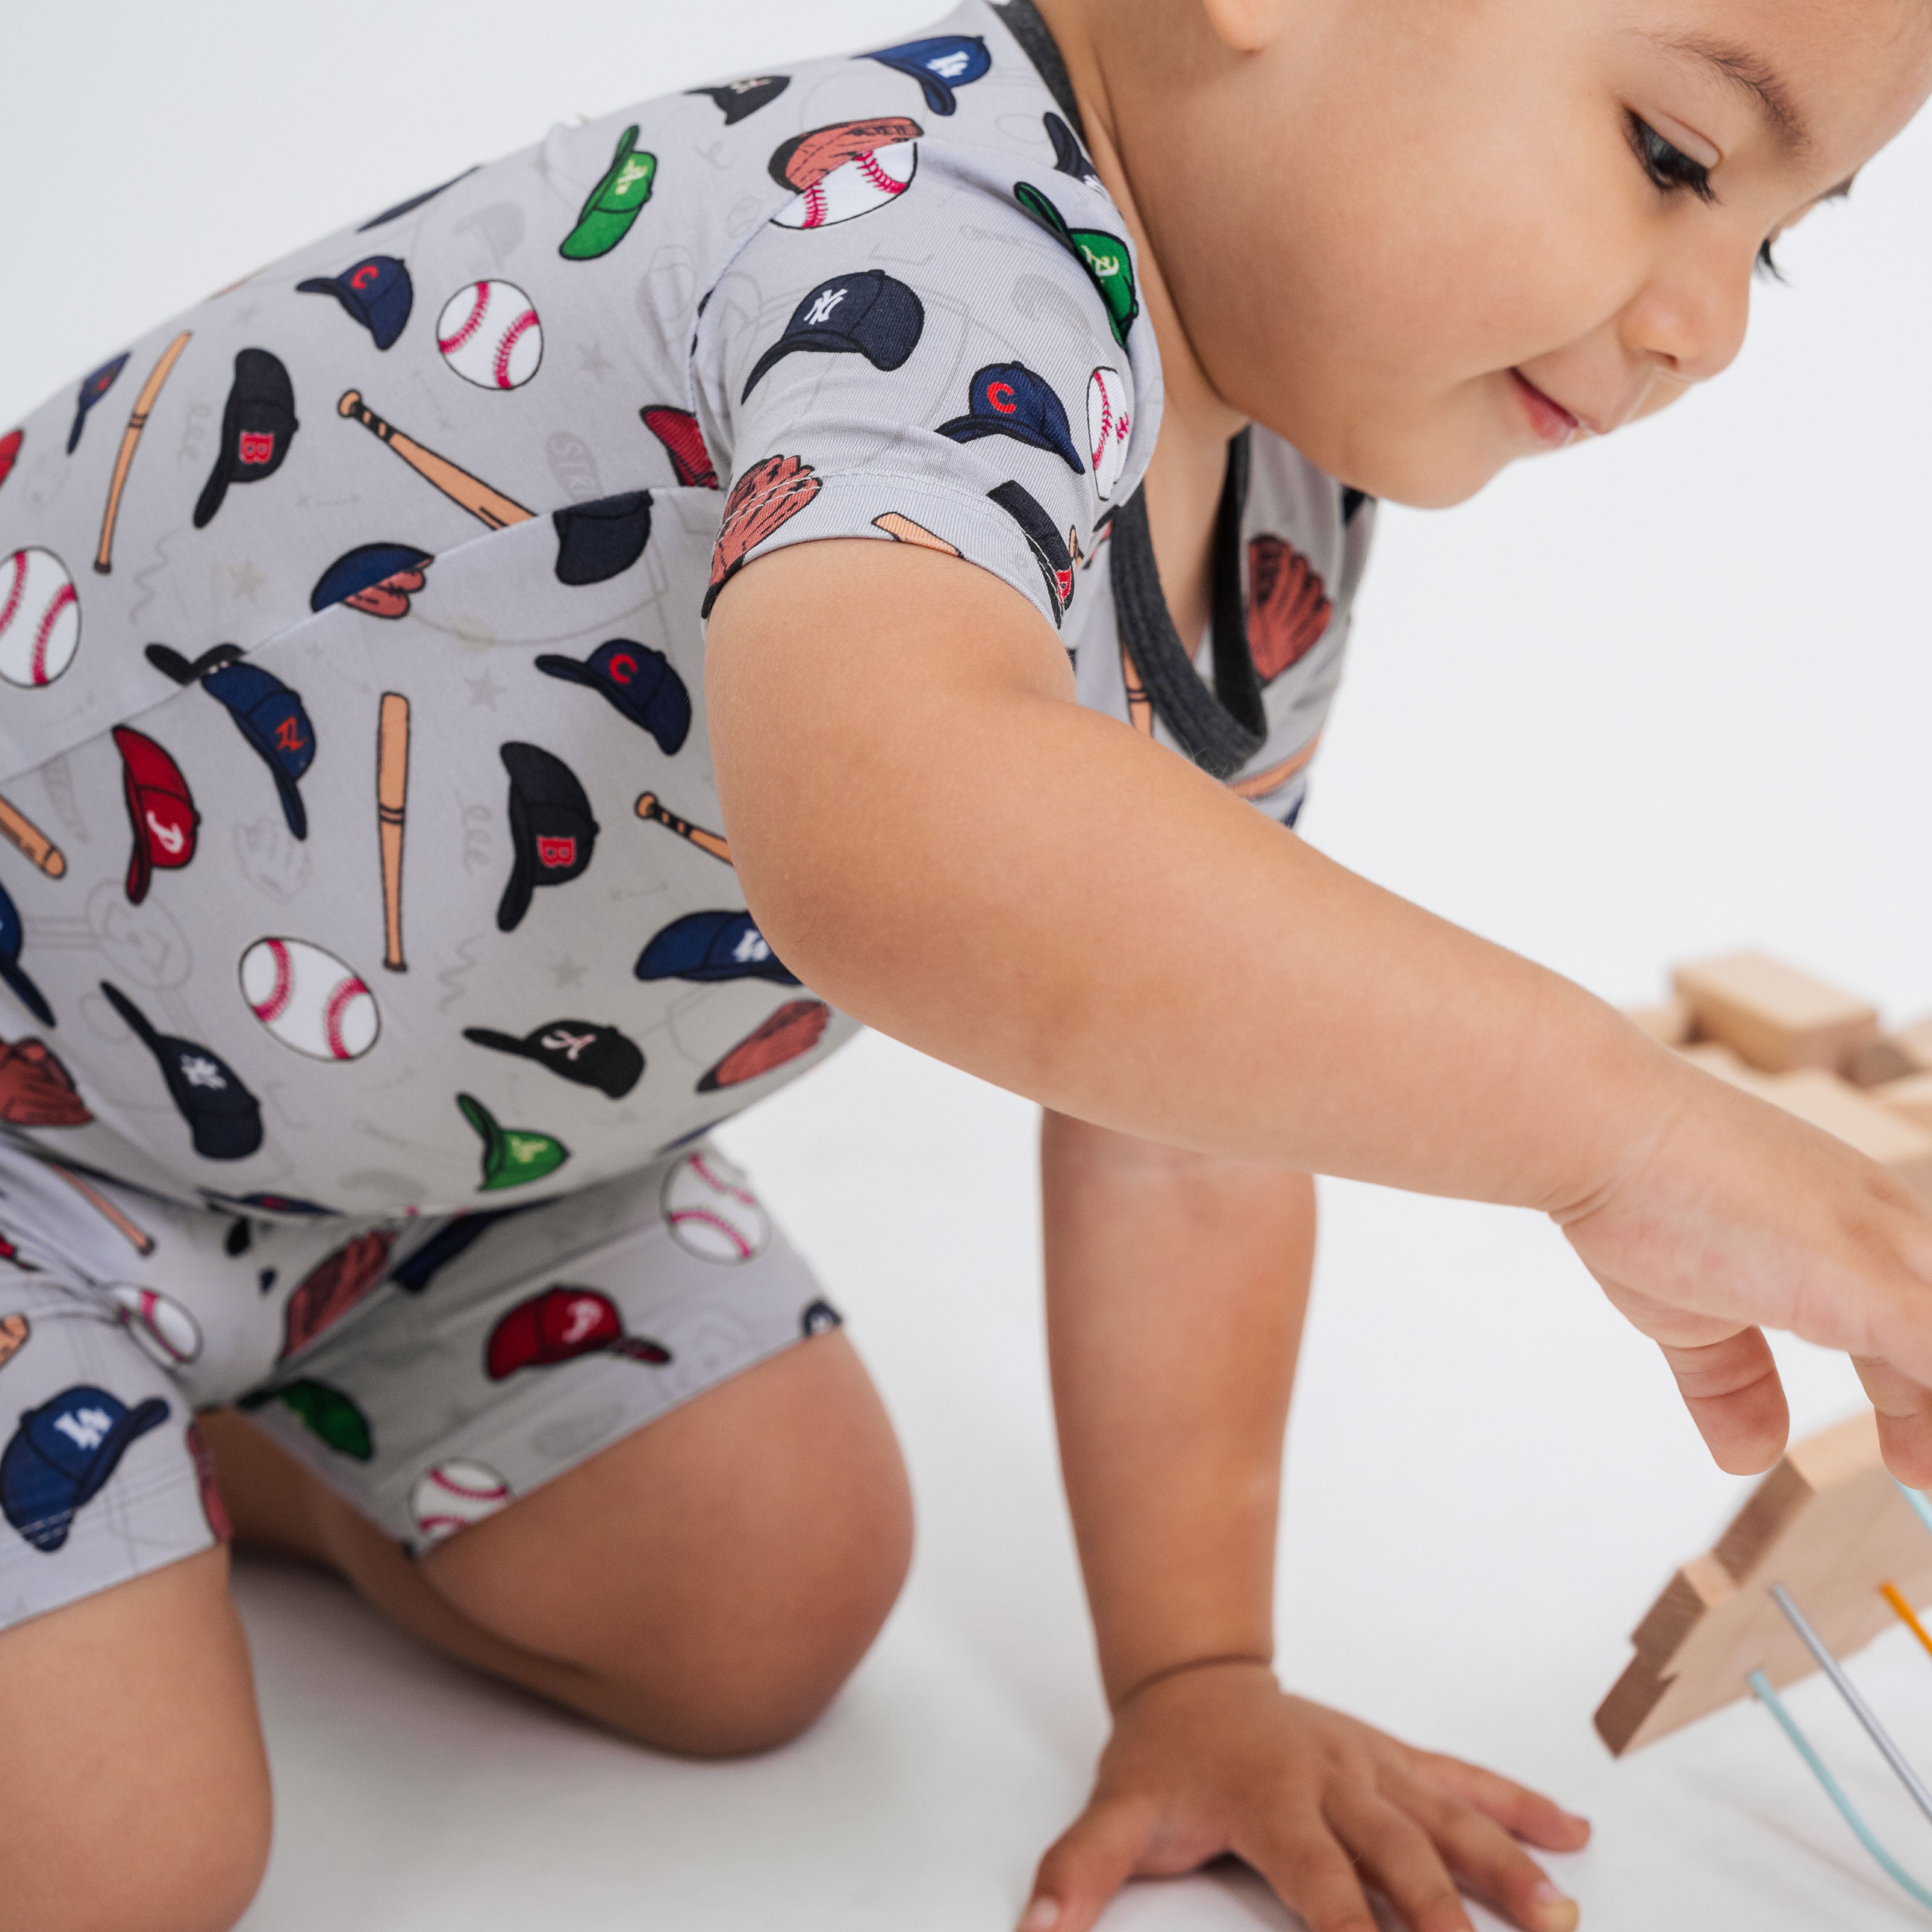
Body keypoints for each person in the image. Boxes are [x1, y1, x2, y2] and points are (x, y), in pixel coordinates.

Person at [2, 2, 1929, 1928]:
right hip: (35, 1112)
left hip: (415, 1189)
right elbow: (895, 834)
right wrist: (1617, 1129)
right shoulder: (910, 244)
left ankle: (215, 1430)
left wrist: (1195, 1678)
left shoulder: (1275, 467)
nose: (1710, 328)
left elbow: (1180, 1098)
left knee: (763, 1590)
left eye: (1772, 239)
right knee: (128, 1860)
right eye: (1673, 159)